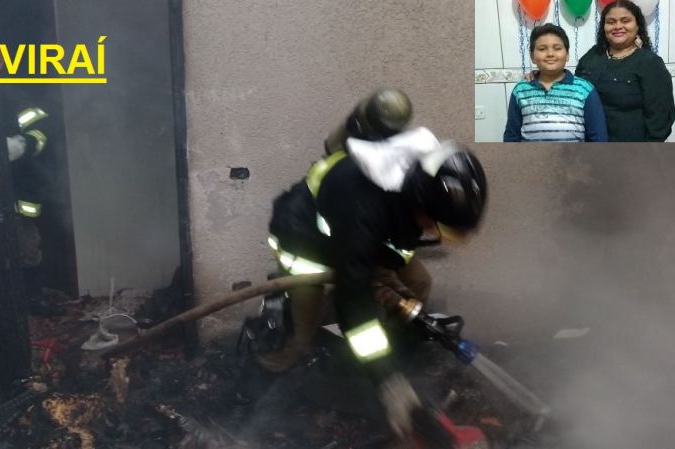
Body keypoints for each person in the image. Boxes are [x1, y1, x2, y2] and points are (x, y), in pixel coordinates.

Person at [235, 89, 488, 447]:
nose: (436, 235)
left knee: (419, 282)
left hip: (360, 238)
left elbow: (398, 244)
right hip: (305, 238)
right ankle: (267, 369)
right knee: (305, 329)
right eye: (438, 227)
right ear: (420, 201)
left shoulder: (417, 184)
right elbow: (353, 304)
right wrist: (389, 383)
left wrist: (388, 282)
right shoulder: (363, 205)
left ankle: (386, 356)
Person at [575, 0, 675, 142]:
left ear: (637, 25)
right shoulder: (592, 56)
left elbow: (660, 120)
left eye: (625, 21)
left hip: (632, 150)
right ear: (604, 27)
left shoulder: (650, 63)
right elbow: (574, 93)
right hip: (589, 148)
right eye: (611, 22)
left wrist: (648, 151)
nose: (618, 26)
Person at [504, 23, 608, 142]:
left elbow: (598, 137)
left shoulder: (585, 89)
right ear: (532, 56)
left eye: (557, 48)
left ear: (567, 54)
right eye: (542, 49)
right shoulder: (521, 90)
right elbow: (511, 136)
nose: (550, 54)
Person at [7, 106, 64, 317]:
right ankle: (24, 302)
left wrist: (20, 145)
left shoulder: (26, 109)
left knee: (28, 249)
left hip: (20, 204)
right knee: (22, 251)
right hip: (0, 205)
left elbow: (39, 136)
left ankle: (33, 300)